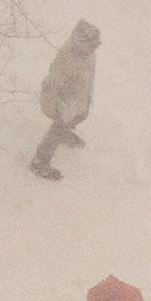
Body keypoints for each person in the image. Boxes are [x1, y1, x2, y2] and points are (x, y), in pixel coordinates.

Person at [30, 20, 102, 181]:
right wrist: (65, 106)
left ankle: (65, 130)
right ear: (81, 43)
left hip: (79, 99)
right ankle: (39, 161)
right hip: (60, 103)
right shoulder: (67, 60)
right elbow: (55, 85)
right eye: (93, 43)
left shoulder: (88, 53)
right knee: (59, 127)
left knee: (81, 116)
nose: (98, 46)